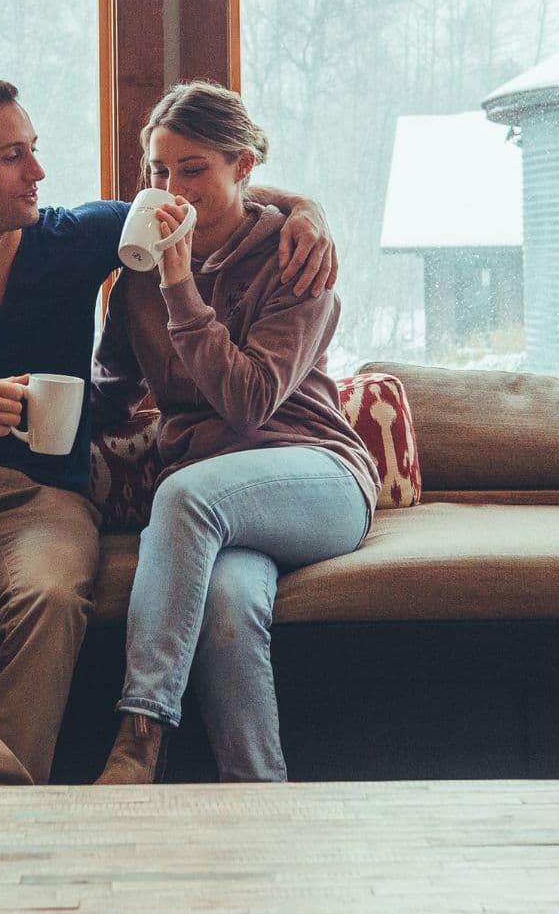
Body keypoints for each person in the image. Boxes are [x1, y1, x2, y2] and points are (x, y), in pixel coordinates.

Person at [0, 77, 334, 786]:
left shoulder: (76, 241)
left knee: (55, 592)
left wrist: (307, 210)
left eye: (33, 151)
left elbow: (199, 194)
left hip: (41, 494)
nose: (38, 171)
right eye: (12, 157)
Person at [91, 80, 380, 785]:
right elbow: (114, 392)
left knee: (187, 495)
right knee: (225, 603)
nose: (172, 188)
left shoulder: (295, 257)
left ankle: (139, 738)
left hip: (314, 477)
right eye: (159, 171)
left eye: (194, 169)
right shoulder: (137, 277)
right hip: (221, 505)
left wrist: (180, 288)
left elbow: (249, 402)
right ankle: (258, 797)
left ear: (243, 167)